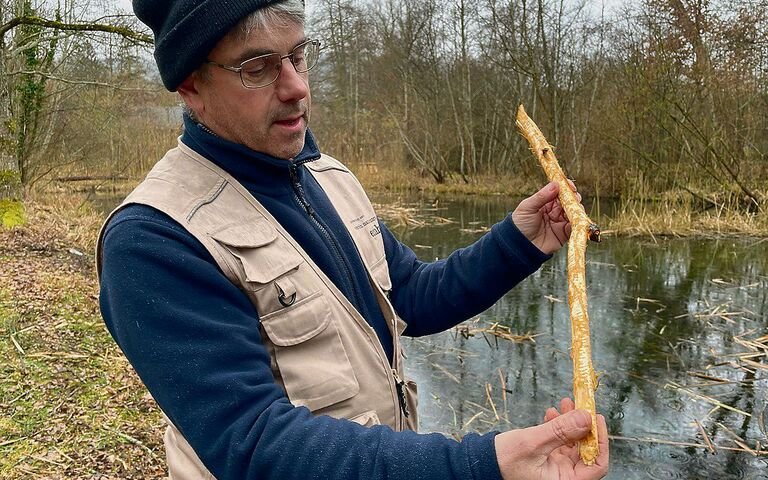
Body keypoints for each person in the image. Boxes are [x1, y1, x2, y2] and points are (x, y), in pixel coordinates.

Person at [96, 0, 610, 479]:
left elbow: (411, 297)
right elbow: (251, 442)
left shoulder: (328, 178)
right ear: (190, 86)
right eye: (258, 67)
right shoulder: (154, 239)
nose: (296, 86)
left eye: (298, 55)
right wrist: (480, 465)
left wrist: (519, 243)